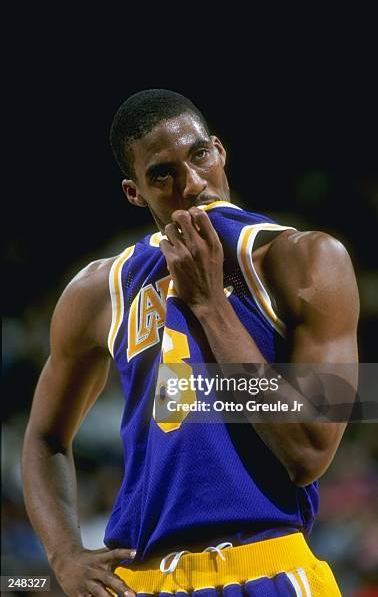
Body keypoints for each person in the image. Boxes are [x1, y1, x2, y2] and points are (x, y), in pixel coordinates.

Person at [22, 89, 359, 596]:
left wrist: (210, 306)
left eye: (199, 155)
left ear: (220, 151)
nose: (193, 183)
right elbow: (44, 440)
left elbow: (309, 451)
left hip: (264, 566)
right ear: (135, 193)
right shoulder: (99, 292)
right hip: (141, 580)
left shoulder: (306, 259)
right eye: (162, 174)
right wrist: (64, 555)